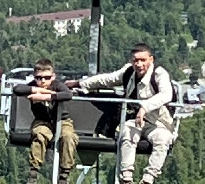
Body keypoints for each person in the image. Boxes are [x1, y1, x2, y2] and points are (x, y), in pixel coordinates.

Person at [69, 43, 174, 184]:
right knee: (127, 133)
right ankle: (126, 177)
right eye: (136, 60)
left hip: (157, 123)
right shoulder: (129, 72)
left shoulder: (159, 74)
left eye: (143, 60)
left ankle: (148, 178)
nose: (139, 64)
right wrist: (78, 84)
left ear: (151, 59)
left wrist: (145, 107)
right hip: (135, 121)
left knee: (164, 139)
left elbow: (166, 95)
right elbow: (106, 80)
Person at [13, 58, 79, 184]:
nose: (43, 81)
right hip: (42, 120)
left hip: (62, 120)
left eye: (47, 78)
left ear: (53, 76)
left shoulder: (57, 85)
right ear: (34, 77)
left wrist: (47, 96)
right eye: (39, 78)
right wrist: (38, 90)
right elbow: (17, 89)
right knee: (39, 134)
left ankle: (64, 174)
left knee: (68, 137)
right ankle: (33, 173)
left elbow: (68, 94)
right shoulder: (33, 85)